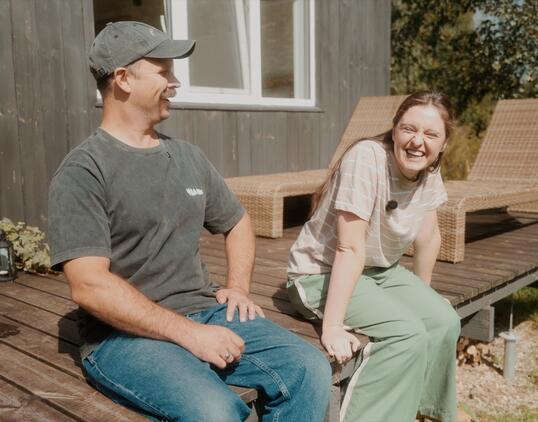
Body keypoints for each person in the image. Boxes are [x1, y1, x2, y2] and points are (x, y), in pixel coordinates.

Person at [48, 21, 330, 422]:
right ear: (123, 79)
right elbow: (89, 286)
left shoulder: (187, 157)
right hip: (121, 336)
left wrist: (238, 287)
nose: (175, 82)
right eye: (163, 71)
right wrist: (189, 334)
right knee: (215, 413)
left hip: (206, 309)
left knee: (310, 370)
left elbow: (237, 222)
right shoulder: (84, 170)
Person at [287, 92, 469, 422]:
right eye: (409, 129)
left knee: (443, 321)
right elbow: (349, 248)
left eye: (430, 134)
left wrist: (423, 296)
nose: (418, 142)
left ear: (443, 144)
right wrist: (332, 327)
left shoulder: (429, 169)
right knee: (407, 333)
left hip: (380, 271)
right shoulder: (366, 158)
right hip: (320, 274)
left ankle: (424, 410)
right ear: (395, 130)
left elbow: (428, 236)